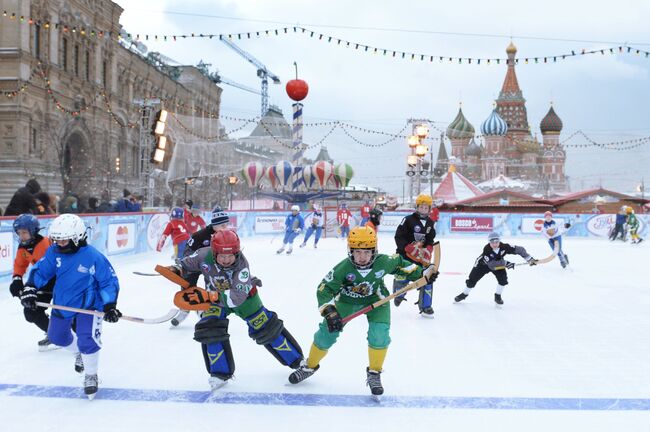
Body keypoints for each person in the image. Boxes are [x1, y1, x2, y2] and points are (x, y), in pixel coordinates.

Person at [288, 226, 438, 397]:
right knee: (326, 333)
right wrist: (330, 311)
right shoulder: (343, 269)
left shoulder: (384, 261)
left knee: (379, 334)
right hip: (347, 300)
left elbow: (403, 266)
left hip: (377, 299)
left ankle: (374, 373)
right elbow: (324, 289)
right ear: (350, 251)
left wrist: (423, 273)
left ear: (374, 250)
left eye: (367, 252)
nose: (362, 257)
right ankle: (310, 366)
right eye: (357, 252)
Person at [174, 229, 304, 391]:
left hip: (245, 299)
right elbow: (185, 263)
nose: (227, 259)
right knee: (209, 329)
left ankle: (297, 361)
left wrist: (210, 296)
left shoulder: (242, 265)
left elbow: (236, 298)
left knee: (266, 328)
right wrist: (176, 269)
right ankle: (220, 373)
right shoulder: (203, 255)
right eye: (222, 256)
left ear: (237, 252)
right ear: (214, 252)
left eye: (231, 255)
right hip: (216, 299)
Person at [20, 214, 121, 399]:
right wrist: (30, 288)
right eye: (56, 239)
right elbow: (41, 271)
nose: (59, 243)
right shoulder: (53, 252)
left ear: (77, 237)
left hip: (90, 305)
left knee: (87, 339)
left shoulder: (93, 256)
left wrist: (109, 305)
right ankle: (78, 353)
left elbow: (108, 282)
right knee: (56, 336)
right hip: (63, 302)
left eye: (64, 240)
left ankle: (91, 375)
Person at [173, 205, 230, 328]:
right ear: (214, 225)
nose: (225, 228)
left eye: (226, 225)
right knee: (187, 285)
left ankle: (207, 312)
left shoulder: (227, 235)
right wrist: (185, 263)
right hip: (194, 264)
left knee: (212, 289)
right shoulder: (199, 235)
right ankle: (184, 308)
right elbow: (187, 252)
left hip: (212, 267)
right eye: (222, 225)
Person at [10, 214, 56, 350]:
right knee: (31, 311)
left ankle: (79, 333)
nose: (21, 235)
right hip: (42, 282)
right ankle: (53, 334)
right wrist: (17, 279)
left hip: (60, 281)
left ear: (33, 231)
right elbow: (19, 264)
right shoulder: (23, 248)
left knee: (65, 311)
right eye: (19, 233)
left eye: (24, 232)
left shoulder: (48, 243)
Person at [454, 231, 537, 306]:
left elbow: (520, 249)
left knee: (503, 280)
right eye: (492, 242)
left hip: (499, 264)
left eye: (497, 242)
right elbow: (492, 265)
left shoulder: (504, 247)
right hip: (482, 265)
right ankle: (464, 294)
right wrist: (507, 263)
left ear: (499, 241)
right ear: (489, 242)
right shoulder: (487, 250)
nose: (494, 244)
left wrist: (529, 259)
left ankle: (497, 296)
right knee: (472, 280)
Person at [393, 194, 437, 316]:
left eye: (426, 208)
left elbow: (430, 239)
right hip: (405, 258)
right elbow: (398, 236)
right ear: (417, 207)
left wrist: (428, 248)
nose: (423, 210)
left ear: (429, 209)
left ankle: (425, 306)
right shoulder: (407, 220)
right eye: (421, 207)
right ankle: (399, 294)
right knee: (403, 278)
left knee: (428, 279)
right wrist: (406, 247)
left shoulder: (430, 223)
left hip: (420, 258)